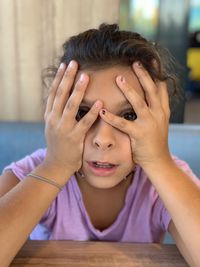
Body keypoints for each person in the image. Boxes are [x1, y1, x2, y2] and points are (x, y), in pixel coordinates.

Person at [0, 23, 200, 267]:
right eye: (82, 112)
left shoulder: (163, 178)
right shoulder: (32, 171)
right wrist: (55, 167)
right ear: (55, 115)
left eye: (128, 115)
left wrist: (158, 161)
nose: (103, 139)